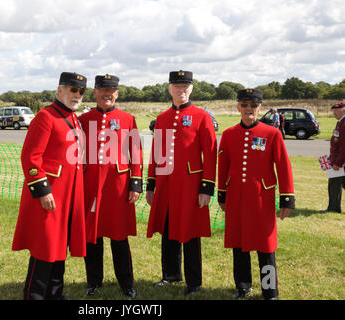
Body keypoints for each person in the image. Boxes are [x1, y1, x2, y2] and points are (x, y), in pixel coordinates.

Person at [12, 72, 87, 300]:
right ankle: (34, 295)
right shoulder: (45, 117)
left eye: (81, 92)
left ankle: (55, 294)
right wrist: (43, 190)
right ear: (60, 90)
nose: (77, 95)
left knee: (59, 246)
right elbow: (31, 157)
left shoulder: (73, 118)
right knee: (44, 248)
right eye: (73, 90)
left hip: (69, 197)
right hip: (51, 195)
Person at [217, 89, 295, 300]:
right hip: (236, 199)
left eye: (253, 105)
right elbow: (223, 166)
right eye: (244, 105)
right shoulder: (229, 134)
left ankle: (269, 290)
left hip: (262, 200)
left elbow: (283, 166)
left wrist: (287, 197)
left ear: (260, 107)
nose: (248, 109)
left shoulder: (272, 133)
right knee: (238, 245)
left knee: (265, 247)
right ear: (238, 107)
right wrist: (221, 193)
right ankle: (242, 286)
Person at [146, 70, 217, 295]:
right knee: (168, 230)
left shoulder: (201, 116)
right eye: (177, 87)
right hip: (166, 185)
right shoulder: (163, 118)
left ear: (191, 89)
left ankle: (194, 282)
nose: (181, 90)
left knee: (191, 232)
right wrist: (151, 184)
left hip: (191, 185)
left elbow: (211, 154)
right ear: (170, 89)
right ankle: (171, 275)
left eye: (185, 87)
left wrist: (206, 187)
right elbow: (156, 153)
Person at [79, 74, 143, 298]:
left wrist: (135, 184)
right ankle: (93, 281)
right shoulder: (84, 120)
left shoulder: (127, 119)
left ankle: (127, 283)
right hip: (91, 187)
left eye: (111, 90)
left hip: (118, 187)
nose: (107, 93)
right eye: (102, 89)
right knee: (93, 237)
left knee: (119, 237)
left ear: (117, 93)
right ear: (95, 92)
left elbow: (136, 152)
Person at [320, 102, 345, 213]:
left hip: (340, 163)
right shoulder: (340, 122)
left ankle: (334, 208)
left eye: (336, 110)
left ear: (343, 110)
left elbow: (344, 146)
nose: (333, 112)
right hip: (337, 160)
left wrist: (338, 163)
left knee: (334, 185)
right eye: (333, 110)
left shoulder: (344, 123)